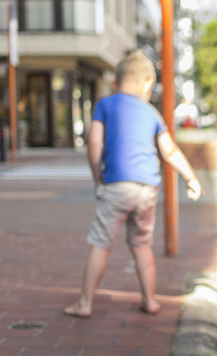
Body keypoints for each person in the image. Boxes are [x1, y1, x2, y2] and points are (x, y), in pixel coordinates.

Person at [64, 50, 202, 318]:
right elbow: (169, 151)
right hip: (147, 189)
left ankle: (85, 303)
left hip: (116, 185)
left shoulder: (105, 105)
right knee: (141, 244)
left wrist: (97, 177)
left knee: (101, 243)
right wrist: (191, 178)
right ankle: (150, 300)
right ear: (148, 83)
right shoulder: (152, 113)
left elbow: (94, 144)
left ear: (117, 81)